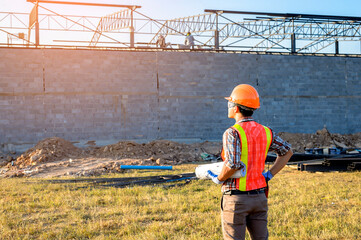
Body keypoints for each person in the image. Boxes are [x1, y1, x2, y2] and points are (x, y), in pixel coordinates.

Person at [206, 84, 293, 240]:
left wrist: (218, 179)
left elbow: (233, 164)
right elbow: (287, 152)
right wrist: (270, 174)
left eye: (229, 104)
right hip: (260, 198)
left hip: (236, 200)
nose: (227, 107)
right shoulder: (266, 131)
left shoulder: (232, 132)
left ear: (236, 108)